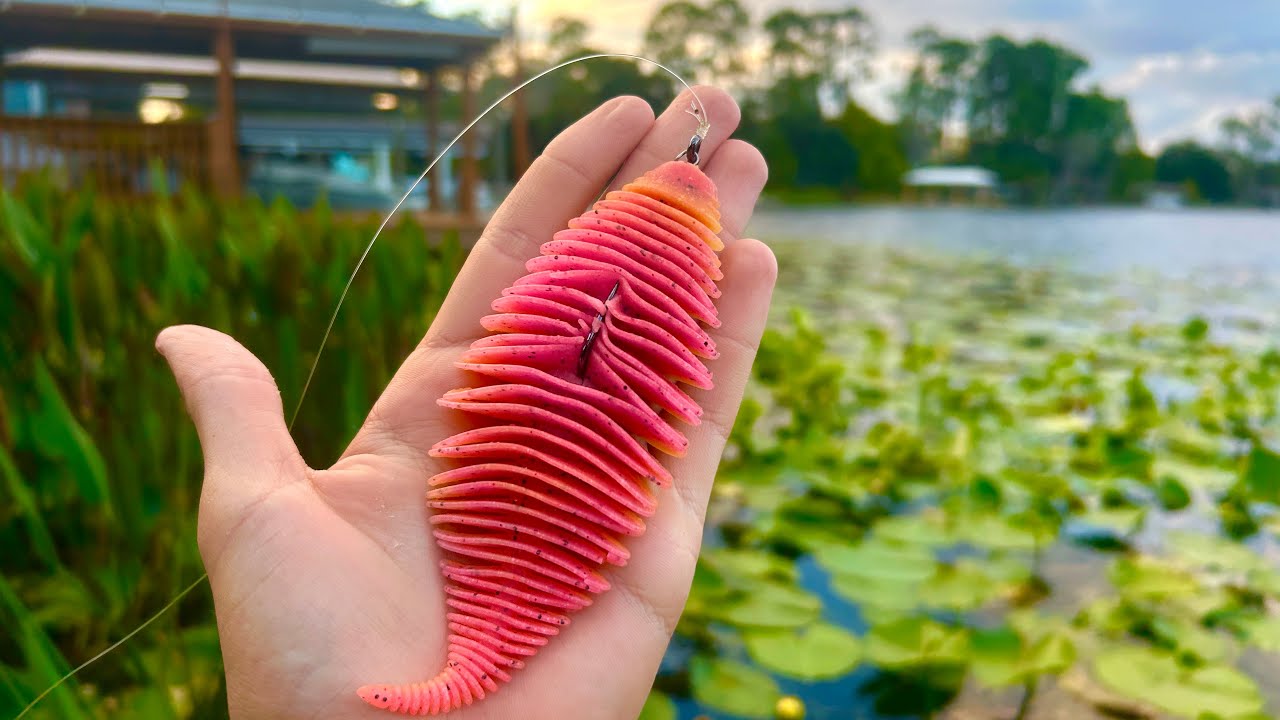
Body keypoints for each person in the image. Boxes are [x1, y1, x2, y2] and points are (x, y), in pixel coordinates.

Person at [156, 87, 774, 719]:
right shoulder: (675, 293)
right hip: (533, 506)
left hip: (546, 512)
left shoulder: (626, 270)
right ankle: (474, 658)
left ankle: (474, 661)